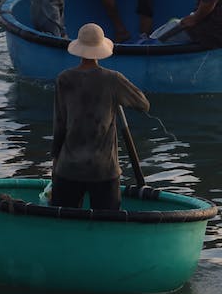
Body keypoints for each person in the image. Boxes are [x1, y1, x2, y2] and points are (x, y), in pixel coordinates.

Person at [50, 23, 150, 210]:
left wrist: (55, 163)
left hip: (68, 168)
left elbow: (59, 124)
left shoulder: (64, 78)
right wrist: (117, 96)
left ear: (79, 49)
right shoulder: (113, 79)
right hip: (103, 170)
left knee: (64, 223)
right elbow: (143, 104)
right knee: (108, 223)